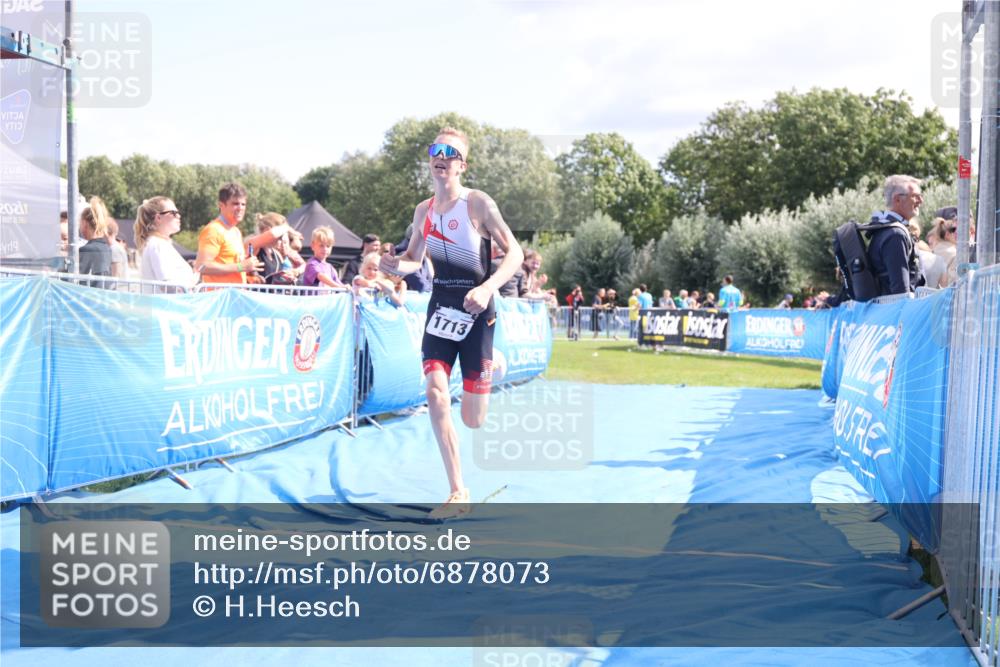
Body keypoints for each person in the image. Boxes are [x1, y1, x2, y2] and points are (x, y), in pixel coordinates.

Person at [378, 127, 523, 518]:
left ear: (462, 164)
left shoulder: (477, 204)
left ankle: (494, 363)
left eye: (450, 152)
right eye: (435, 150)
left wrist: (489, 287)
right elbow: (414, 257)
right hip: (441, 308)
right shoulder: (423, 211)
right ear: (430, 160)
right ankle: (458, 491)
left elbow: (516, 254)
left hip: (477, 310)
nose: (441, 156)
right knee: (436, 393)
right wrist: (395, 267)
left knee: (473, 420)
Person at [866, 174, 925, 296]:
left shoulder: (887, 230)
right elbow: (900, 291)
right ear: (897, 199)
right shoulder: (895, 235)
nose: (920, 201)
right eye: (915, 196)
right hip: (898, 312)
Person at [195, 182, 262, 285]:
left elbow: (231, 264)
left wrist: (249, 270)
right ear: (221, 205)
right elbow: (201, 266)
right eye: (235, 204)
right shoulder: (213, 230)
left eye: (243, 204)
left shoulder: (236, 231)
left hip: (234, 296)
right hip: (219, 297)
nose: (240, 208)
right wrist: (241, 266)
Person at [134, 196, 199, 290]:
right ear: (158, 218)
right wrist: (192, 283)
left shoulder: (158, 243)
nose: (178, 216)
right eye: (173, 213)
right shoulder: (157, 245)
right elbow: (167, 286)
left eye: (178, 212)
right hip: (164, 304)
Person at [78, 197, 112, 287]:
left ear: (85, 223)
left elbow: (79, 279)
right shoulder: (107, 248)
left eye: (80, 223)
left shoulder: (86, 250)